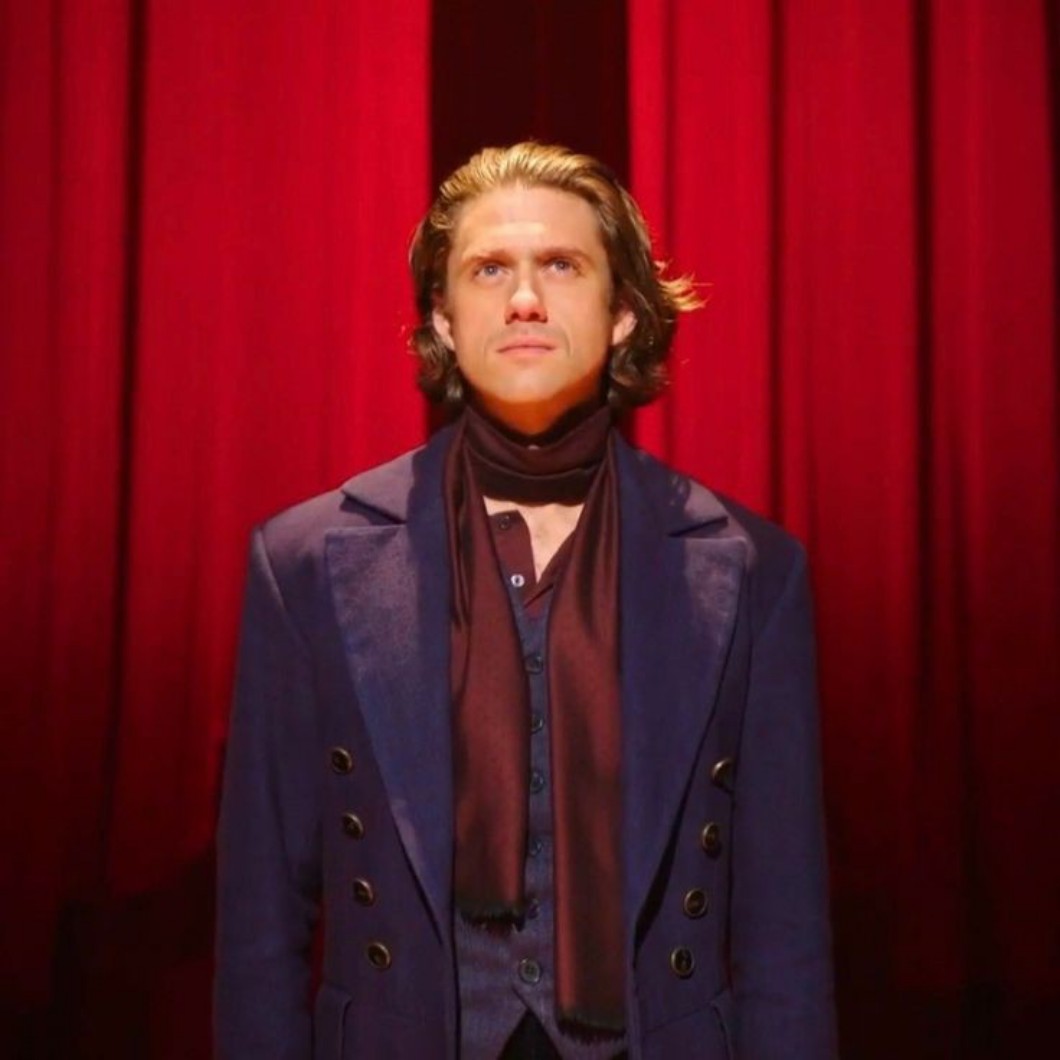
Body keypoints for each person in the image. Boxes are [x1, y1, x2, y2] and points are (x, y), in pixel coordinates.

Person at [215, 142, 837, 1059]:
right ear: (443, 314)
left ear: (623, 311)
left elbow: (785, 934)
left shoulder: (751, 569)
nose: (524, 300)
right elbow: (261, 920)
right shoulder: (303, 562)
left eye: (562, 265)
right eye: (488, 269)